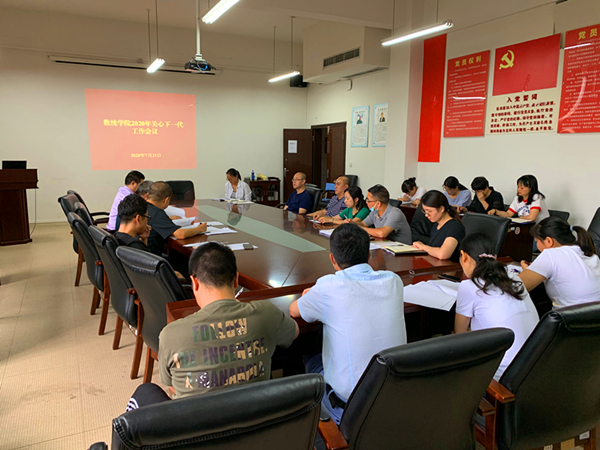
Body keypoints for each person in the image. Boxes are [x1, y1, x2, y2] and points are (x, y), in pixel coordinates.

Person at [125, 242, 299, 409]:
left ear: (194, 283)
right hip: (255, 421)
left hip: (195, 427)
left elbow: (172, 385)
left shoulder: (170, 334)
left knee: (145, 391)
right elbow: (294, 332)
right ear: (236, 279)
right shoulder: (267, 314)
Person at [289, 224, 406, 424]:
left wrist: (310, 294)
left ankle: (310, 427)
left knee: (307, 356)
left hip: (351, 410)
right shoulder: (394, 281)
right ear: (368, 254)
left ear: (332, 259)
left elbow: (294, 310)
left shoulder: (328, 286)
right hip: (393, 396)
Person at [454, 233, 539, 380]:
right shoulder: (515, 278)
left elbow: (460, 335)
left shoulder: (468, 286)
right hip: (536, 366)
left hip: (502, 374)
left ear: (464, 256)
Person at [518, 216, 600, 308]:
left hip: (568, 315)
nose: (537, 245)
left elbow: (517, 288)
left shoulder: (551, 254)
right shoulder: (588, 253)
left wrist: (527, 271)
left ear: (549, 241)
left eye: (537, 241)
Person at [146, 182, 207, 256]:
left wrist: (168, 218)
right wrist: (200, 229)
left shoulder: (143, 206)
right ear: (166, 200)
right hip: (152, 256)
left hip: (141, 254)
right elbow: (181, 234)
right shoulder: (157, 213)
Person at [413, 190, 465, 262]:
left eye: (429, 211)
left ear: (441, 209)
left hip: (449, 267)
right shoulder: (436, 225)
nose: (426, 215)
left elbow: (443, 254)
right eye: (424, 211)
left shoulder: (455, 227)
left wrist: (423, 246)